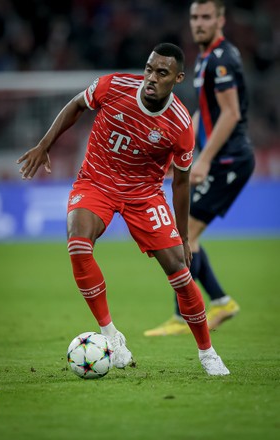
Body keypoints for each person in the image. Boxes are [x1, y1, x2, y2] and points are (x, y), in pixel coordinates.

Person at [17, 42, 229, 375]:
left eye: (162, 73)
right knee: (77, 244)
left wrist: (184, 237)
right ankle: (111, 337)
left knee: (179, 271)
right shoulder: (114, 86)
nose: (151, 77)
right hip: (96, 181)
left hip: (143, 195)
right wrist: (44, 145)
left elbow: (181, 182)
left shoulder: (180, 124)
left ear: (177, 78)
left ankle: (207, 353)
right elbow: (75, 105)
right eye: (149, 68)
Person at [144, 1, 255, 337]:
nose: (199, 23)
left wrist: (204, 159)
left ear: (221, 19)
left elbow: (231, 113)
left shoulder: (221, 59)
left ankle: (190, 313)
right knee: (186, 235)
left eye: (207, 17)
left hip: (228, 160)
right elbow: (202, 116)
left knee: (184, 235)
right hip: (218, 158)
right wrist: (181, 152)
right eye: (194, 16)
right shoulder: (206, 58)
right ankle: (218, 301)